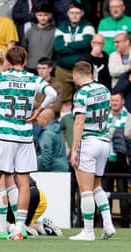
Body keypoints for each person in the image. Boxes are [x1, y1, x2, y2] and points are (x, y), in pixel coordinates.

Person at [0, 46, 56, 240]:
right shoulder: (34, 79)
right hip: (25, 135)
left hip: (5, 134)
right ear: (25, 62)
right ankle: (18, 229)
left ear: (8, 61)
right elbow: (53, 94)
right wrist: (39, 110)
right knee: (23, 182)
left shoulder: (0, 79)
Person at [69, 61, 115, 241]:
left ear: (76, 76)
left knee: (85, 189)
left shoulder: (81, 93)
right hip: (104, 141)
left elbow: (79, 122)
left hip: (88, 141)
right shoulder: (104, 90)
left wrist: (74, 150)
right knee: (97, 185)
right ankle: (108, 223)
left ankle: (88, 231)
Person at [54, 1, 95, 103]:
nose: (74, 15)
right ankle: (66, 118)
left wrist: (68, 44)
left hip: (82, 70)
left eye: (77, 13)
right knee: (64, 100)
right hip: (63, 70)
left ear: (82, 13)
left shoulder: (88, 26)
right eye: (72, 13)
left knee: (84, 100)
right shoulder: (61, 28)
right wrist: (77, 46)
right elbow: (58, 48)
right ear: (68, 14)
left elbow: (86, 45)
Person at [102, 91, 130, 228]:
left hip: (121, 160)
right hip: (106, 159)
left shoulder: (128, 117)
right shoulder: (105, 116)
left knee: (122, 191)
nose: (114, 103)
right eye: (112, 101)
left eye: (116, 100)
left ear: (123, 102)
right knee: (105, 192)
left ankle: (125, 223)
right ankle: (105, 223)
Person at [21, 3, 55, 74]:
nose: (42, 18)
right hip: (30, 68)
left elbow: (57, 53)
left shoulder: (55, 31)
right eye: (40, 15)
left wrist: (53, 66)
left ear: (50, 15)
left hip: (47, 69)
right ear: (36, 15)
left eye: (45, 15)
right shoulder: (30, 31)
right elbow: (23, 49)